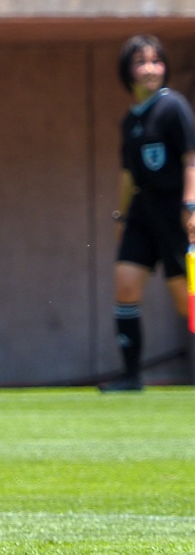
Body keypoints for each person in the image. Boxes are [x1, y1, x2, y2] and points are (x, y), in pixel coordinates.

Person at [106, 35, 195, 392]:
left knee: (185, 300)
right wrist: (121, 216)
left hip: (174, 211)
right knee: (126, 285)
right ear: (127, 71)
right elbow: (128, 174)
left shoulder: (174, 107)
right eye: (141, 62)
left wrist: (191, 206)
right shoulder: (131, 120)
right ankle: (130, 377)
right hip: (142, 213)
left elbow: (191, 158)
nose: (150, 68)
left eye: (156, 61)